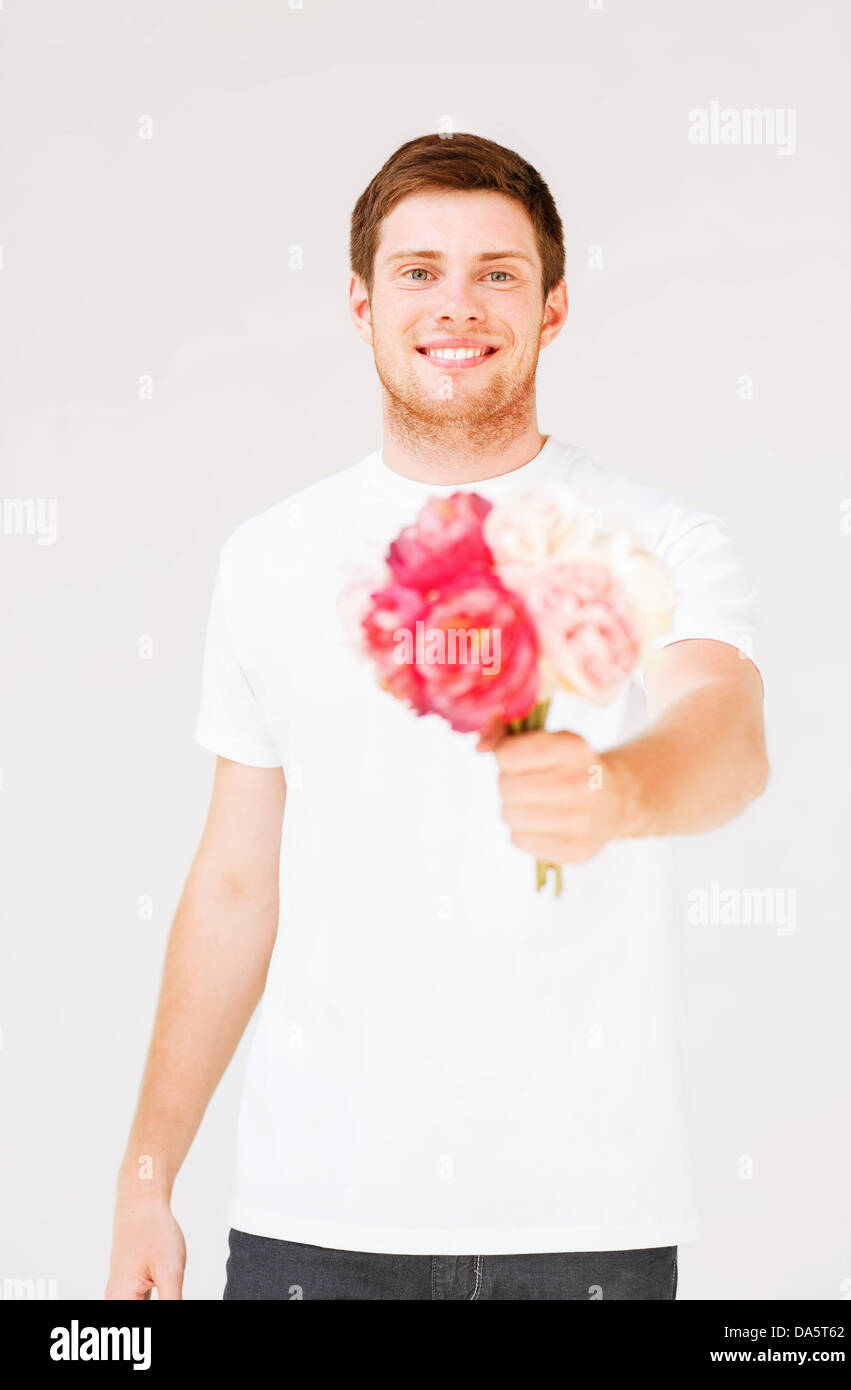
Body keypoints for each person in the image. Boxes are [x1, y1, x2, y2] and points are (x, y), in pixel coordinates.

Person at [105, 132, 768, 1302]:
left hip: (584, 1224)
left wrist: (621, 791)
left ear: (553, 308)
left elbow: (725, 737)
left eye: (496, 273)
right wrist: (146, 1176)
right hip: (310, 1219)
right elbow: (234, 886)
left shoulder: (653, 534)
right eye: (418, 271)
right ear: (360, 304)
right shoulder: (268, 559)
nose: (455, 304)